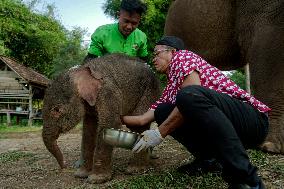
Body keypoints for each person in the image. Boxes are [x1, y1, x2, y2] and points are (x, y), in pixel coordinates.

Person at [122, 36, 270, 189]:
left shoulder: (183, 57)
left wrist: (160, 133)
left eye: (157, 53)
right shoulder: (171, 87)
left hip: (253, 120)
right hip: (227, 127)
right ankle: (209, 160)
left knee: (188, 96)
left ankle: (248, 179)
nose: (153, 59)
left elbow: (191, 95)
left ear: (172, 51)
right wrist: (112, 117)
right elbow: (142, 120)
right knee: (162, 111)